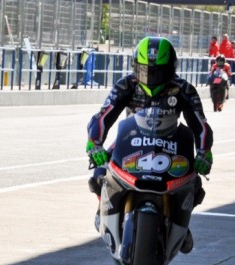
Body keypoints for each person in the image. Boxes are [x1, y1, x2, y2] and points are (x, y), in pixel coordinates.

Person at [85, 36, 214, 254]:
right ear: (135, 67)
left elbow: (200, 124)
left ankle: (182, 224)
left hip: (171, 145)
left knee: (195, 185)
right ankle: (102, 209)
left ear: (171, 69)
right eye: (145, 70)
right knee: (99, 173)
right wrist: (94, 144)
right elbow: (103, 116)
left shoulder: (183, 89)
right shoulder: (126, 85)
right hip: (131, 141)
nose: (150, 76)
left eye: (157, 71)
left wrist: (204, 152)